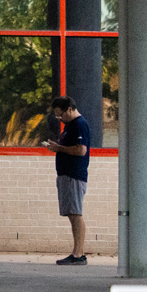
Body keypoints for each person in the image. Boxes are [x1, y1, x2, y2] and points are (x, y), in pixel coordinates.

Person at [39, 95, 89, 265]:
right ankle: (76, 252)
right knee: (71, 213)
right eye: (57, 116)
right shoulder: (69, 126)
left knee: (76, 213)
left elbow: (81, 150)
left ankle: (78, 253)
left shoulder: (79, 125)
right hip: (66, 174)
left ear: (70, 109)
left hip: (74, 174)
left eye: (61, 115)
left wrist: (59, 148)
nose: (60, 119)